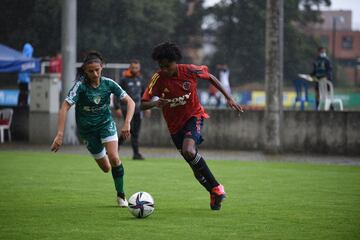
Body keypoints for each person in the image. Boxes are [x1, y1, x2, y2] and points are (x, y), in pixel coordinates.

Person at [141, 42, 243, 210]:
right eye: (161, 66)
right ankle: (212, 192)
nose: (164, 69)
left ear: (176, 61)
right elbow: (142, 104)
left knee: (189, 150)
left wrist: (229, 98)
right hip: (174, 127)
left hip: (194, 116)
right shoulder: (158, 78)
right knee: (194, 166)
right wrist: (155, 103)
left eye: (167, 66)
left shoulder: (189, 70)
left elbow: (210, 77)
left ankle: (217, 187)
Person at [51, 51, 135, 207]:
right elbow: (64, 107)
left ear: (102, 67)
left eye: (97, 69)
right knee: (106, 168)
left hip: (106, 125)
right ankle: (108, 162)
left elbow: (130, 102)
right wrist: (60, 134)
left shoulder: (109, 83)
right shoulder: (80, 87)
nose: (95, 73)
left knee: (115, 158)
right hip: (87, 131)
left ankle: (121, 196)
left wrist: (127, 122)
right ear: (85, 71)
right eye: (90, 71)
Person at [113, 60, 149, 160]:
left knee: (135, 132)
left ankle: (136, 154)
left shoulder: (140, 79)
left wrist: (147, 107)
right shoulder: (124, 79)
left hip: (138, 109)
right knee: (129, 130)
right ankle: (116, 148)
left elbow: (144, 94)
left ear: (139, 68)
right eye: (133, 68)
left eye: (136, 68)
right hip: (127, 109)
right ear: (130, 68)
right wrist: (117, 107)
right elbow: (116, 93)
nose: (134, 70)